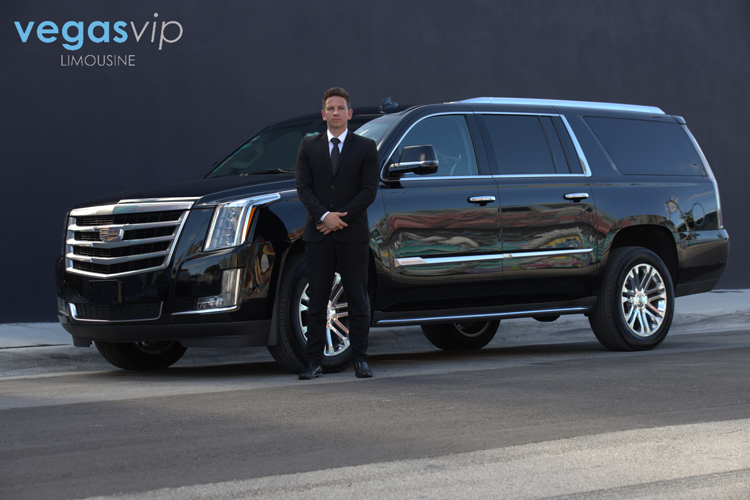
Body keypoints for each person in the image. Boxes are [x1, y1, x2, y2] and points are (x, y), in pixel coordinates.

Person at [295, 87, 380, 380]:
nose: (335, 113)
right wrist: (323, 216)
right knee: (318, 300)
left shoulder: (366, 148)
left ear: (349, 113)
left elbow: (369, 190)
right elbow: (303, 188)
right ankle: (313, 363)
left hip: (351, 235)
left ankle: (360, 359)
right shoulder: (308, 147)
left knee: (357, 298)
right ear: (323, 114)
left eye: (340, 108)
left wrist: (339, 218)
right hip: (318, 235)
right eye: (330, 108)